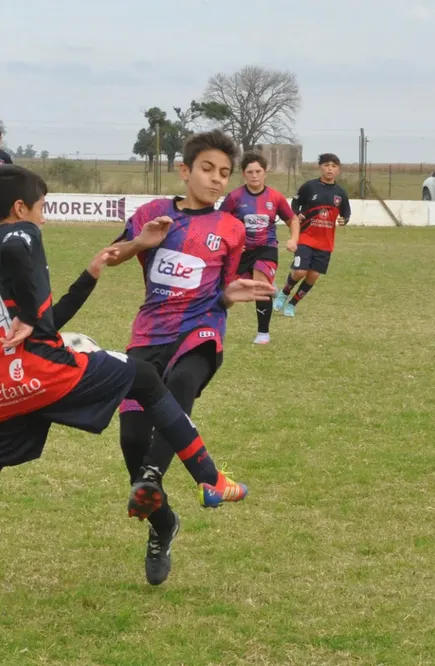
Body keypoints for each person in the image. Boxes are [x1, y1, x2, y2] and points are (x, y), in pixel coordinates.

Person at [0, 164, 249, 627]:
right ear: (21, 208)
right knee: (146, 379)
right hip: (41, 372)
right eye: (42, 208)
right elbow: (32, 287)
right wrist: (32, 308)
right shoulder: (20, 234)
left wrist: (88, 275)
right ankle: (209, 477)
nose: (44, 218)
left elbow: (46, 318)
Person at [105, 130, 275, 586]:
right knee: (131, 439)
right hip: (149, 335)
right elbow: (111, 257)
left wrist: (231, 293)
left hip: (202, 329)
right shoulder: (151, 214)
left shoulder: (232, 229)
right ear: (184, 170)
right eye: (207, 169)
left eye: (224, 173)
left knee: (181, 385)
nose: (217, 180)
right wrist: (141, 243)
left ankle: (151, 475)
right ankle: (163, 524)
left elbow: (226, 284)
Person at [218, 151, 299, 344]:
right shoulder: (234, 197)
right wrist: (233, 243)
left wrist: (294, 239)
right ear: (244, 174)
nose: (254, 175)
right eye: (250, 172)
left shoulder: (275, 197)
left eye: (258, 171)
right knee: (227, 288)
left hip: (266, 248)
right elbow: (219, 222)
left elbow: (292, 219)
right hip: (242, 251)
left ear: (265, 173)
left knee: (260, 284)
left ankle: (263, 334)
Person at [274, 153, 351, 317]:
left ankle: (292, 304)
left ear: (338, 170)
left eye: (334, 166)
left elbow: (346, 212)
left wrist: (345, 219)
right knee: (300, 271)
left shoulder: (341, 193)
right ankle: (284, 293)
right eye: (326, 165)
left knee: (313, 275)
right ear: (320, 167)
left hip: (325, 242)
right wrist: (298, 213)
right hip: (306, 237)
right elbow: (295, 202)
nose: (330, 169)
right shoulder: (309, 186)